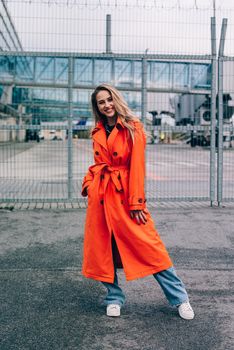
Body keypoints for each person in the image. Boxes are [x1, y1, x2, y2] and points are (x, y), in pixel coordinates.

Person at [81, 84, 195, 320]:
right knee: (104, 251)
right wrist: (88, 183)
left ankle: (180, 299)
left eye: (109, 99)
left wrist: (137, 204)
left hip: (126, 198)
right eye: (101, 102)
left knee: (152, 248)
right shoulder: (97, 130)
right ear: (97, 107)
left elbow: (137, 169)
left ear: (116, 100)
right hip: (101, 198)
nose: (106, 105)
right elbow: (97, 165)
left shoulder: (133, 128)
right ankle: (113, 297)